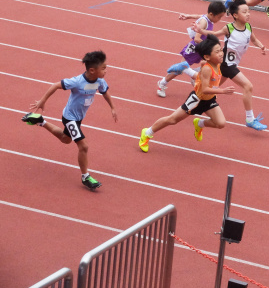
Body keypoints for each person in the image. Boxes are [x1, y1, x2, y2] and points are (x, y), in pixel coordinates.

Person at [21, 51, 117, 190]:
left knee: (65, 139)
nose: (106, 71)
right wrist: (42, 101)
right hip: (69, 117)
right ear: (92, 70)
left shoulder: (99, 81)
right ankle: (85, 177)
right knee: (83, 146)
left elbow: (105, 92)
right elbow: (55, 85)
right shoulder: (77, 81)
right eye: (103, 68)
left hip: (78, 118)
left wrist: (112, 107)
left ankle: (40, 121)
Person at [139, 35, 234, 153]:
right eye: (217, 52)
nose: (221, 53)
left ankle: (199, 123)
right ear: (207, 56)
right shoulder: (207, 69)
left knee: (221, 123)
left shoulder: (217, 64)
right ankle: (147, 133)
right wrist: (222, 91)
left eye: (220, 50)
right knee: (172, 120)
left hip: (209, 100)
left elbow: (205, 67)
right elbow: (205, 89)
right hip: (196, 100)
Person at [195, 0, 268, 131]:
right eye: (244, 12)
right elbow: (215, 34)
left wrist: (261, 46)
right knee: (248, 86)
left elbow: (254, 39)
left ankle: (196, 105)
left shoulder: (248, 27)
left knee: (213, 88)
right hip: (226, 64)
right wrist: (201, 30)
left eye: (249, 11)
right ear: (235, 15)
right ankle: (250, 119)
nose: (248, 14)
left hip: (230, 64)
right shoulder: (229, 28)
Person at [157, 0, 226, 98]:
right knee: (180, 69)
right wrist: (209, 46)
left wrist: (188, 16)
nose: (220, 19)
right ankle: (162, 83)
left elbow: (198, 16)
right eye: (219, 17)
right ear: (211, 14)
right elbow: (197, 39)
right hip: (194, 49)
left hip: (201, 49)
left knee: (211, 63)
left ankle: (196, 76)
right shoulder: (204, 22)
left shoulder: (207, 18)